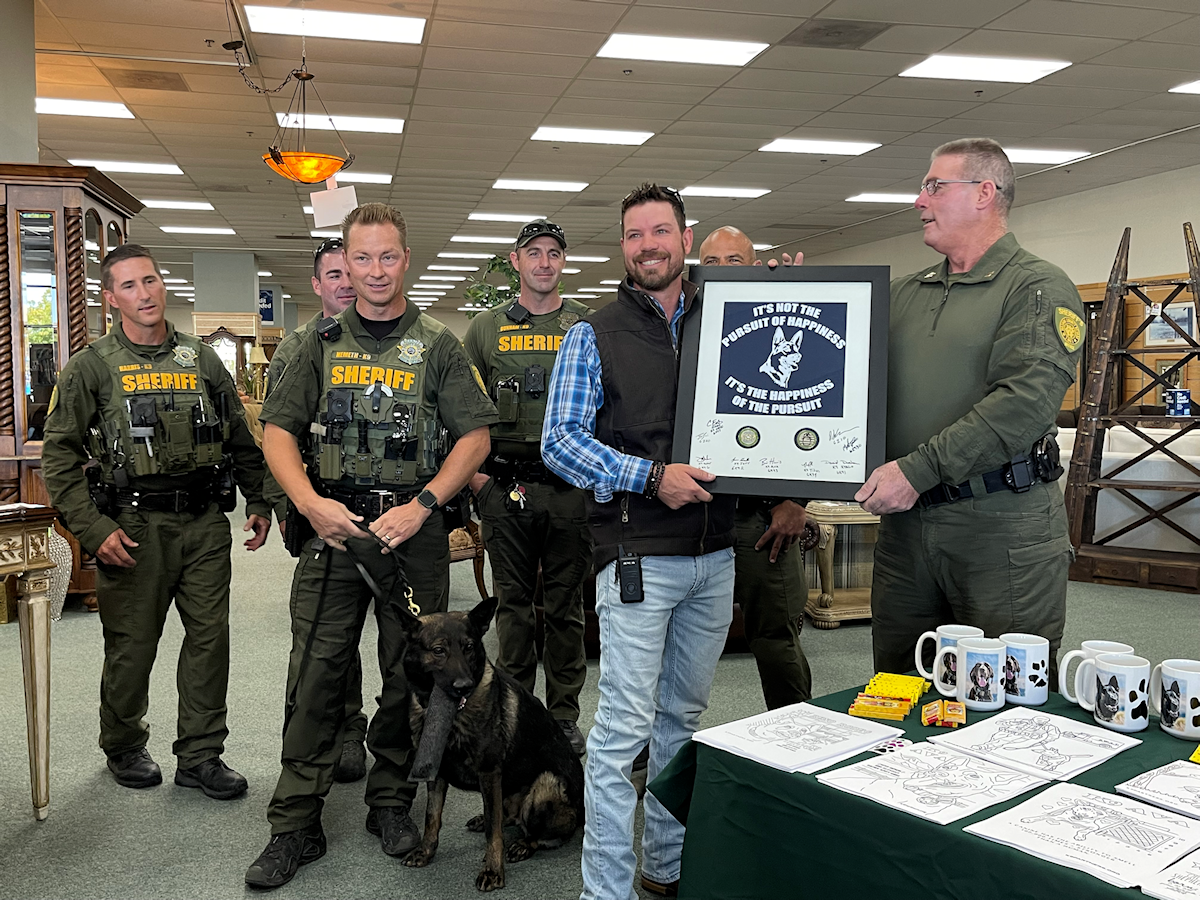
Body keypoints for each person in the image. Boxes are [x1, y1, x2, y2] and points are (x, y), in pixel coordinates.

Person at [245, 202, 497, 890]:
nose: (376, 270)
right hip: (334, 535)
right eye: (363, 258)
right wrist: (308, 503)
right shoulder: (313, 343)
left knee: (407, 677)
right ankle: (295, 819)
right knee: (316, 676)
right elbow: (276, 432)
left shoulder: (439, 344)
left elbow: (475, 435)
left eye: (389, 256)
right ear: (345, 264)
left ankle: (391, 802)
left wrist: (424, 506)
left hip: (409, 536)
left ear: (405, 259)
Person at [542, 183, 737, 900]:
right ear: (622, 245)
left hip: (716, 556)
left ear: (686, 237)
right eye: (634, 234)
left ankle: (666, 865)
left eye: (661, 231)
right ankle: (606, 890)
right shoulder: (591, 333)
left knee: (682, 721)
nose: (648, 244)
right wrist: (652, 477)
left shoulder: (724, 321)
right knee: (623, 731)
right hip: (637, 557)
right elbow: (559, 443)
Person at [42, 243, 271, 798]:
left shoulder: (202, 359)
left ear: (162, 284)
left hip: (203, 525)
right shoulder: (91, 367)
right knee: (132, 643)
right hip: (132, 526)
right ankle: (122, 742)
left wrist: (260, 502)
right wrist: (94, 532)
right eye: (128, 286)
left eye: (150, 281)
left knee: (209, 640)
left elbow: (240, 438)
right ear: (110, 297)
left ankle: (201, 755)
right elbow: (59, 457)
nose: (143, 295)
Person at [855, 138, 1084, 685]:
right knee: (900, 690)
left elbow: (1022, 406)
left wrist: (916, 471)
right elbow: (834, 374)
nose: (919, 200)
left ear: (985, 193)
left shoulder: (1037, 288)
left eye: (934, 186)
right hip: (906, 533)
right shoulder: (905, 294)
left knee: (1004, 700)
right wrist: (779, 298)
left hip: (1001, 529)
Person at [462, 219, 592, 755]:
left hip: (569, 490)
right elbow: (461, 409)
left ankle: (562, 717)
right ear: (514, 261)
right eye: (533, 252)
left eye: (554, 253)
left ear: (563, 262)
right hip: (505, 487)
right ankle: (513, 711)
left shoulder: (586, 327)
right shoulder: (485, 329)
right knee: (512, 608)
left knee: (566, 608)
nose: (544, 262)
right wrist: (474, 480)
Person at [263, 237, 368, 784]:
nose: (344, 283)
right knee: (328, 631)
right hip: (316, 511)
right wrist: (285, 507)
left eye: (347, 272)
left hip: (382, 513)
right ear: (317, 285)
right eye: (332, 275)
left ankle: (362, 731)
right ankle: (344, 726)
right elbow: (278, 434)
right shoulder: (299, 347)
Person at [697, 225, 813, 708]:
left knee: (775, 639)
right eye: (712, 261)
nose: (723, 270)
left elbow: (817, 418)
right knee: (681, 648)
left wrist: (797, 502)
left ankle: (794, 741)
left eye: (735, 261)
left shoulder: (785, 320)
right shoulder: (684, 323)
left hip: (763, 519)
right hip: (695, 513)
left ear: (754, 263)